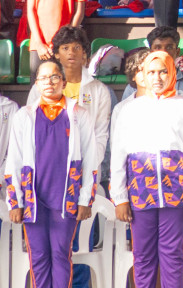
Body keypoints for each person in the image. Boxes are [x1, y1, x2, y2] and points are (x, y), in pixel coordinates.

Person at [109, 49, 183, 288]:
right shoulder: (128, 110)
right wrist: (120, 198)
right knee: (142, 256)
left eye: (163, 71)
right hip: (140, 193)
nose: (157, 77)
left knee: (173, 256)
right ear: (142, 75)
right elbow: (119, 154)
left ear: (172, 72)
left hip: (176, 195)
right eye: (151, 72)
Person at [6, 56, 101, 288]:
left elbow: (91, 160)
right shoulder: (24, 116)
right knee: (37, 257)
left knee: (61, 254)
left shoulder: (79, 115)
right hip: (33, 199)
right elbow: (14, 161)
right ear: (36, 84)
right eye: (43, 78)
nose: (49, 82)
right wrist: (14, 202)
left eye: (54, 77)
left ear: (64, 82)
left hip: (66, 197)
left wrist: (85, 199)